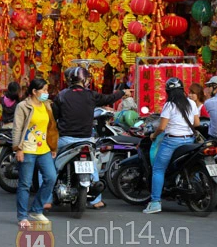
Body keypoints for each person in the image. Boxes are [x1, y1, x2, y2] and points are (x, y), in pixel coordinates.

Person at [51, 67, 127, 210]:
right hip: (86, 140)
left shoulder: (61, 96)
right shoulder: (91, 95)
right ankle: (97, 200)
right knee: (92, 167)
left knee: (50, 167)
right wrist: (122, 92)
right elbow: (109, 98)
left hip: (66, 139)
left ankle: (46, 199)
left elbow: (55, 116)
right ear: (84, 80)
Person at [143, 78, 199, 214]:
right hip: (189, 141)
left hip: (172, 141)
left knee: (158, 169)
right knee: (190, 167)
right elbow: (197, 123)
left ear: (168, 91)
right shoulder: (191, 103)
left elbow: (161, 127)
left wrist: (153, 136)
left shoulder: (169, 105)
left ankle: (155, 202)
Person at [13, 79, 58, 228]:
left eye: (47, 90)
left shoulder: (47, 105)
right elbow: (17, 128)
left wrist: (53, 146)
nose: (46, 93)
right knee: (25, 184)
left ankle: (37, 210)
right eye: (44, 90)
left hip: (44, 149)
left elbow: (51, 127)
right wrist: (18, 148)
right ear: (34, 91)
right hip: (27, 150)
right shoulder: (23, 106)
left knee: (51, 177)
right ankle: (22, 217)